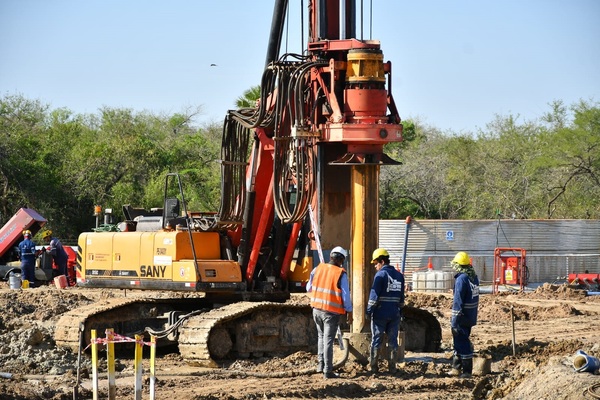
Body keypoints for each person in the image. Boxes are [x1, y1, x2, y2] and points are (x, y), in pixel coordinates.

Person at [306, 246, 353, 379]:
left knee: (321, 337)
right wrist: (349, 311)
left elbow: (309, 287)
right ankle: (328, 371)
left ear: (331, 256)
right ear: (341, 260)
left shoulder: (318, 269)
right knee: (328, 341)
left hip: (316, 309)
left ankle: (320, 365)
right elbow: (345, 296)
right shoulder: (340, 273)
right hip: (330, 313)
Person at [367, 248, 405, 374]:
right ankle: (392, 368)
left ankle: (373, 367)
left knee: (376, 339)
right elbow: (401, 299)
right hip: (394, 314)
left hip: (380, 313)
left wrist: (368, 311)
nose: (375, 266)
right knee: (393, 340)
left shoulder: (380, 275)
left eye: (376, 263)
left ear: (382, 261)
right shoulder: (399, 276)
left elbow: (374, 296)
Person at [448, 251, 480, 378]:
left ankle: (466, 371)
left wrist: (454, 321)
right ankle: (456, 368)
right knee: (459, 341)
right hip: (470, 315)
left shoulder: (462, 279)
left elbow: (458, 301)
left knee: (461, 341)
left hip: (461, 317)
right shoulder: (473, 277)